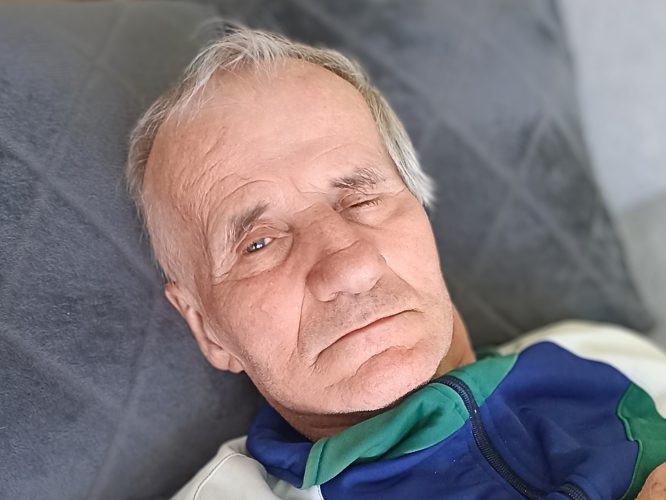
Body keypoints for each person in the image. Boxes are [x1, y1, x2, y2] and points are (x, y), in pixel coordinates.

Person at [126, 27, 666, 500]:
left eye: (360, 198)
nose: (350, 266)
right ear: (206, 327)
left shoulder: (599, 354)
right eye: (259, 243)